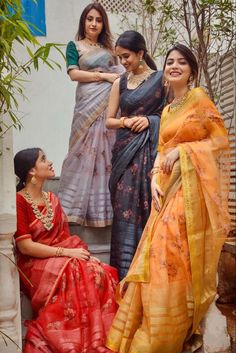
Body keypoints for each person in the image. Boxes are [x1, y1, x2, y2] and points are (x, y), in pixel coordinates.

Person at [106, 44, 231, 353]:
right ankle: (158, 324)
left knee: (172, 259)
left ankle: (173, 328)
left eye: (181, 62)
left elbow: (219, 141)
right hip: (164, 192)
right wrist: (152, 181)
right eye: (169, 62)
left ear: (191, 69)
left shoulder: (199, 99)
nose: (174, 66)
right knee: (157, 258)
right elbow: (160, 151)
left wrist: (182, 151)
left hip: (191, 192)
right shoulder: (167, 109)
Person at [14, 148, 118, 353]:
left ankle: (93, 337)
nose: (50, 162)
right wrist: (67, 254)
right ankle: (68, 339)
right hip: (34, 262)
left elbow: (65, 238)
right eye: (44, 159)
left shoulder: (52, 198)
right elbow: (25, 246)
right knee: (74, 270)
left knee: (98, 271)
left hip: (59, 255)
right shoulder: (19, 201)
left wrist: (83, 255)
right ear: (31, 171)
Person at [106, 30, 165, 280]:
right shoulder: (119, 82)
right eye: (120, 58)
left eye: (126, 56)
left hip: (150, 154)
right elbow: (109, 121)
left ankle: (147, 279)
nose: (123, 62)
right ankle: (124, 278)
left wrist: (150, 121)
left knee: (147, 210)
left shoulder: (162, 80)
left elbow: (171, 117)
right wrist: (128, 123)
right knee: (122, 210)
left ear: (141, 53)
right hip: (124, 154)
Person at [58, 3, 123, 227]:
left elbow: (121, 74)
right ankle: (72, 208)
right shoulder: (74, 46)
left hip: (108, 105)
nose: (93, 24)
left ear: (103, 23)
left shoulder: (110, 50)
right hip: (86, 104)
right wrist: (103, 77)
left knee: (106, 152)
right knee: (81, 150)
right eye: (89, 19)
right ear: (83, 22)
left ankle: (103, 212)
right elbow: (74, 74)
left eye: (98, 20)